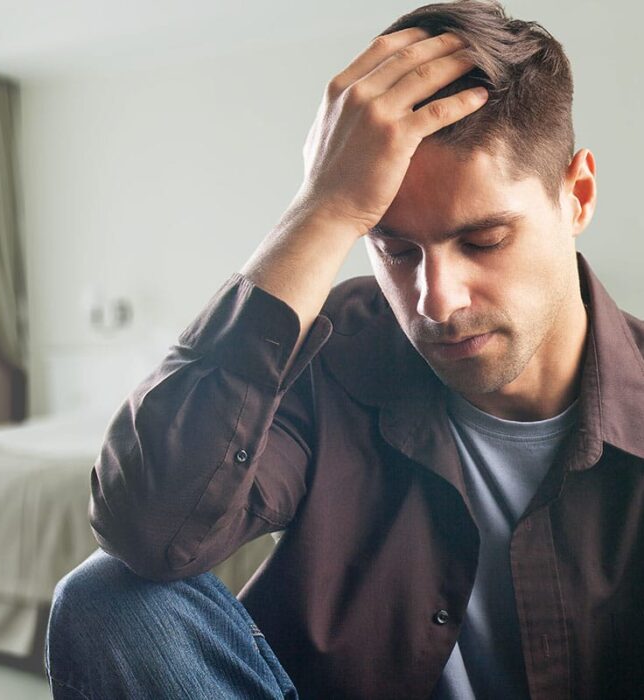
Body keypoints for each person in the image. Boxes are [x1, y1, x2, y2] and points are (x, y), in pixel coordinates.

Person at [45, 0, 644, 698]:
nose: (436, 302)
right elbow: (147, 527)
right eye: (395, 249)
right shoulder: (337, 350)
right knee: (109, 599)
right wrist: (322, 207)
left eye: (484, 241)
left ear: (577, 195)